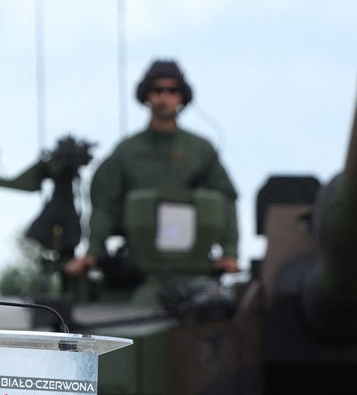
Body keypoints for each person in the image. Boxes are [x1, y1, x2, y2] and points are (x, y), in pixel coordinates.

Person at [64, 59, 240, 277]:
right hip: (136, 268)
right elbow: (104, 205)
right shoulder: (127, 151)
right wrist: (93, 252)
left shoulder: (201, 150)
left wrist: (230, 253)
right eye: (157, 90)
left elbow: (227, 199)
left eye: (171, 90)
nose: (164, 97)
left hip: (196, 266)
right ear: (147, 95)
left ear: (181, 96)